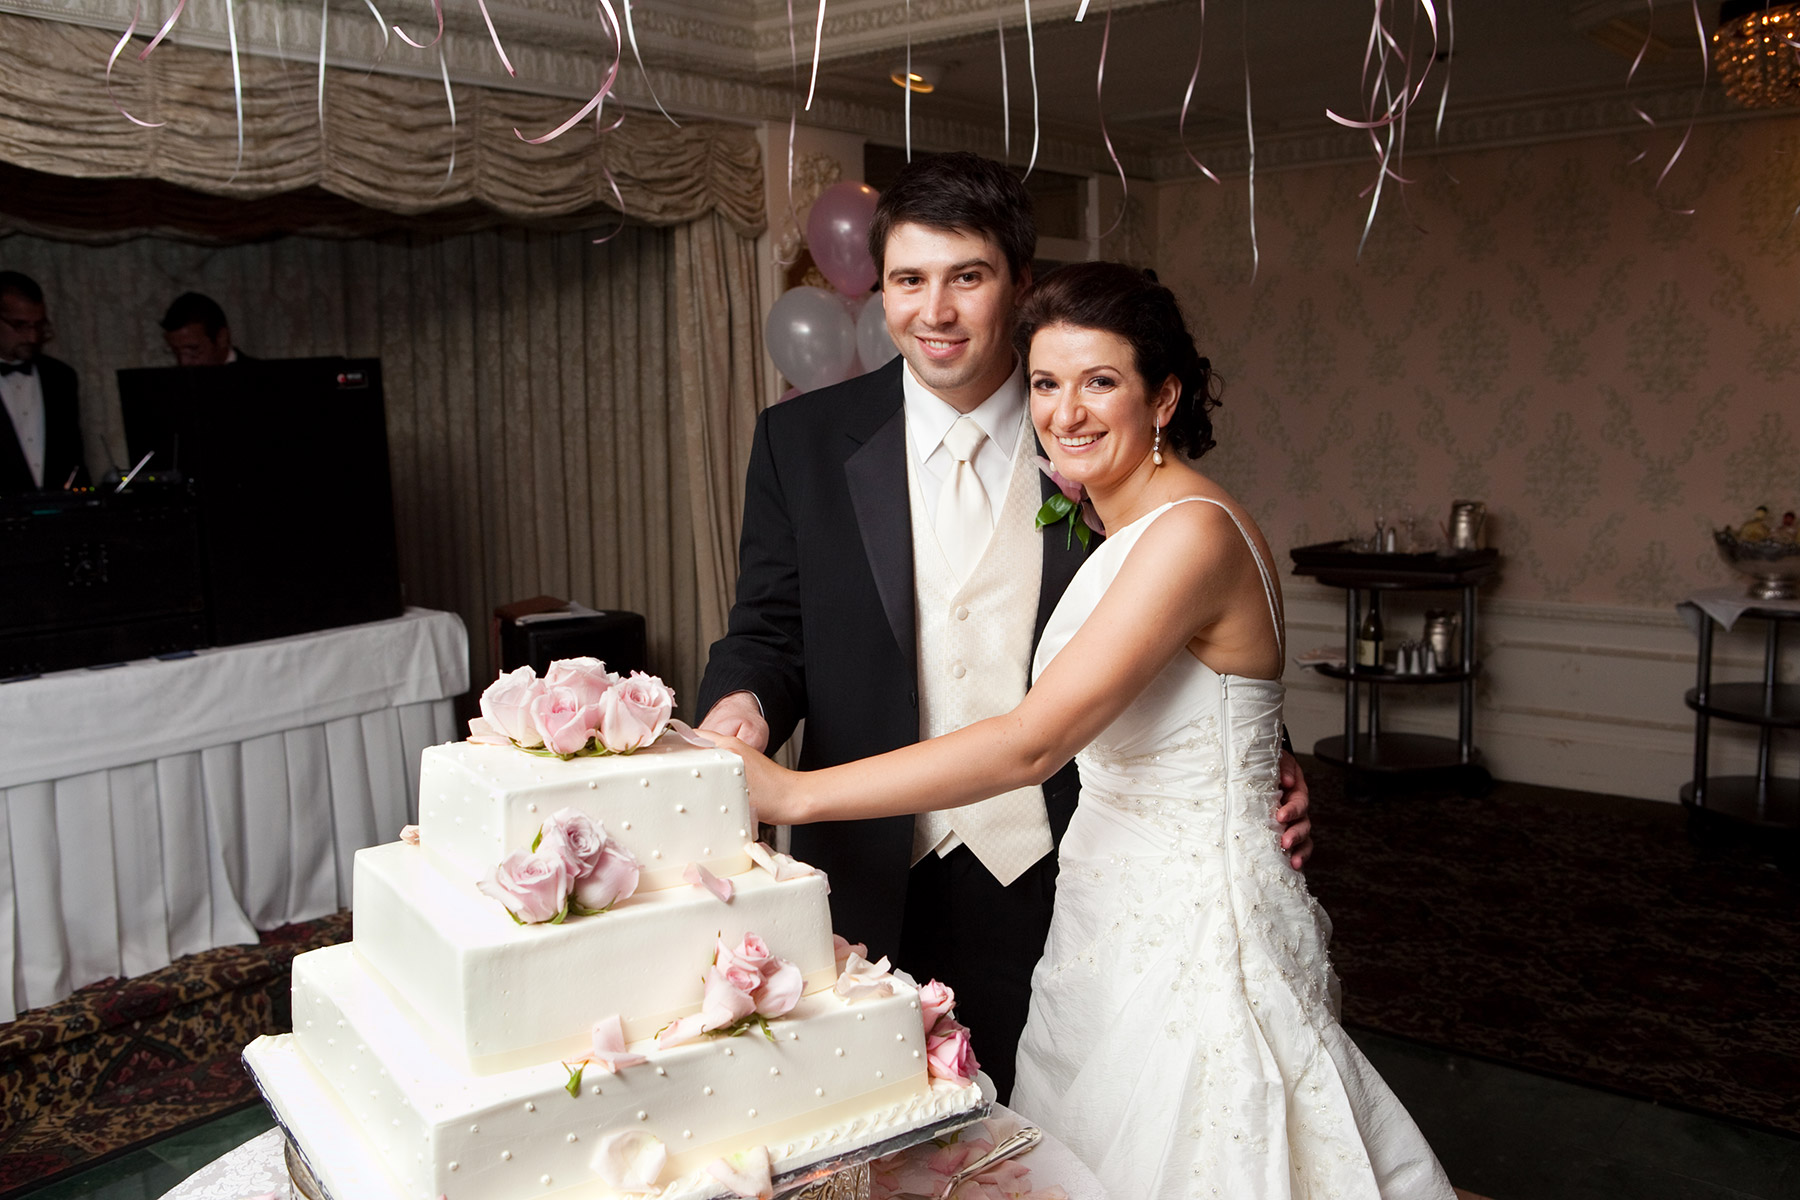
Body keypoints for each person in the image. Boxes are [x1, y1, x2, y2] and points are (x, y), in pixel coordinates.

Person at [713, 262, 1454, 1200]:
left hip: (1187, 931)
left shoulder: (1189, 531)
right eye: (1048, 383)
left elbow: (1032, 742)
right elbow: (1196, 695)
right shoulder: (1124, 519)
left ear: (1166, 395)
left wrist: (795, 791)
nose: (1065, 412)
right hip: (1107, 910)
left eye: (1100, 381)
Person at [695, 152, 1312, 1103]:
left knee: (1056, 1128)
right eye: (908, 280)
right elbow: (768, 629)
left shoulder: (1092, 436)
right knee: (866, 1132)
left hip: (1062, 867)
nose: (933, 312)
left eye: (966, 278)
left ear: (1019, 289)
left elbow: (1195, 629)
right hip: (869, 868)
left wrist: (1265, 756)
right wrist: (742, 710)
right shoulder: (800, 440)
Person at [0, 271, 86, 495]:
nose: (32, 337)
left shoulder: (60, 377)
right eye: (20, 325)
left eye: (38, 326)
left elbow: (73, 458)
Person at [161, 292, 250, 365]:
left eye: (193, 349)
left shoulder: (261, 376)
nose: (183, 362)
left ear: (221, 338)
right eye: (175, 351)